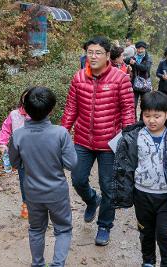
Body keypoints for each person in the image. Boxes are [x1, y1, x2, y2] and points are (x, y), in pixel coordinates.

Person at [111, 91, 167, 266]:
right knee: (145, 232)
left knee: (165, 234)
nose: (151, 120)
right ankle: (148, 261)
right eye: (147, 115)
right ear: (142, 113)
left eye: (157, 116)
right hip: (142, 195)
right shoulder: (133, 136)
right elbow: (123, 167)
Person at [61, 36, 135, 246]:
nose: (93, 56)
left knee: (109, 186)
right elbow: (71, 109)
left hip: (110, 144)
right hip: (83, 140)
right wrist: (62, 132)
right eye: (90, 52)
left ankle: (104, 226)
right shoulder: (78, 78)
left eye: (98, 53)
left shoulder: (120, 79)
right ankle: (92, 200)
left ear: (108, 56)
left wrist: (128, 138)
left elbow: (128, 110)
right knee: (77, 179)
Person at [8, 86, 77, 267]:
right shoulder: (61, 133)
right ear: (52, 109)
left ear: (25, 108)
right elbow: (72, 163)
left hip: (32, 193)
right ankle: (57, 264)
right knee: (63, 230)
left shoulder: (17, 135)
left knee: (36, 230)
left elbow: (15, 163)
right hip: (57, 193)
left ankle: (37, 264)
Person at [0, 89, 31, 219]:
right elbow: (5, 129)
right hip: (21, 154)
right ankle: (26, 204)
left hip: (38, 154)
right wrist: (2, 143)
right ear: (22, 98)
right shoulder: (14, 115)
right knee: (24, 181)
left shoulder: (39, 114)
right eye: (25, 97)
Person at [126, 40, 153, 116]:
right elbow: (125, 61)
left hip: (145, 84)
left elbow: (145, 68)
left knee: (145, 104)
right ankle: (133, 121)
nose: (140, 50)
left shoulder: (148, 58)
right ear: (136, 49)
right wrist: (129, 63)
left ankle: (142, 121)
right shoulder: (133, 57)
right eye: (138, 48)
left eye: (142, 49)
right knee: (133, 105)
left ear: (145, 49)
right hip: (134, 84)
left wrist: (134, 64)